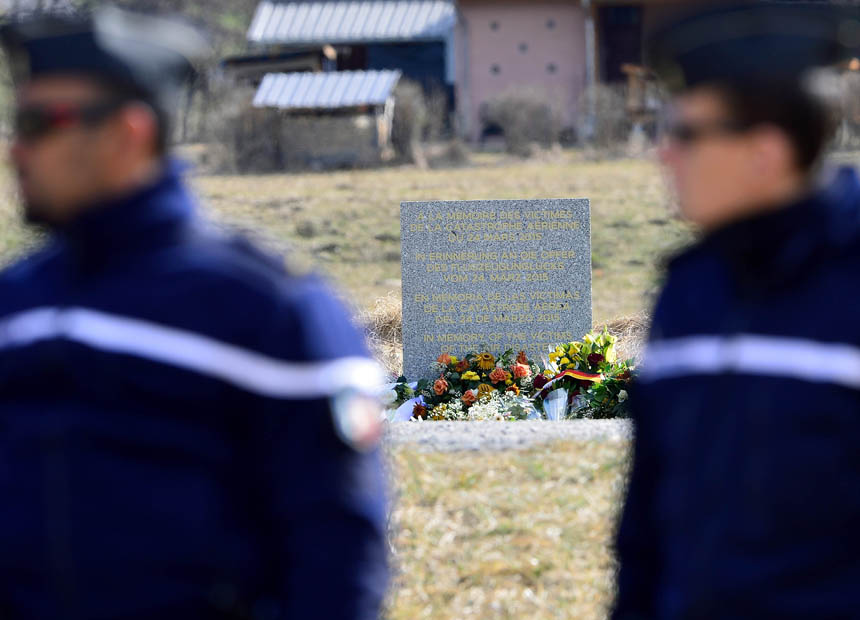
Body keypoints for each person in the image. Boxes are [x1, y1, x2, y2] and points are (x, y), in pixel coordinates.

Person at [0, 7, 388, 619]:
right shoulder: (16, 303)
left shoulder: (264, 312)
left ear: (128, 133)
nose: (15, 150)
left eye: (38, 123)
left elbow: (336, 559)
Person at [613, 3, 860, 619]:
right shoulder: (690, 291)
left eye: (687, 134)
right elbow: (647, 533)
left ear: (765, 152)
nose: (663, 155)